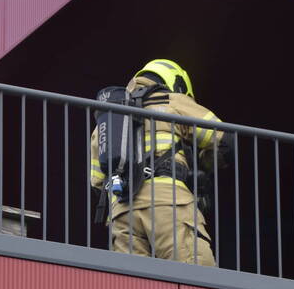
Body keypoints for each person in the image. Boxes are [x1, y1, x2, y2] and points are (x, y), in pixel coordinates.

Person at [90, 58, 228, 265]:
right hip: (167, 201)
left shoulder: (109, 119)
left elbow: (97, 182)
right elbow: (224, 139)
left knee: (132, 280)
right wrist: (203, 167)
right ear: (177, 83)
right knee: (196, 270)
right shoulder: (174, 101)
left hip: (121, 212)